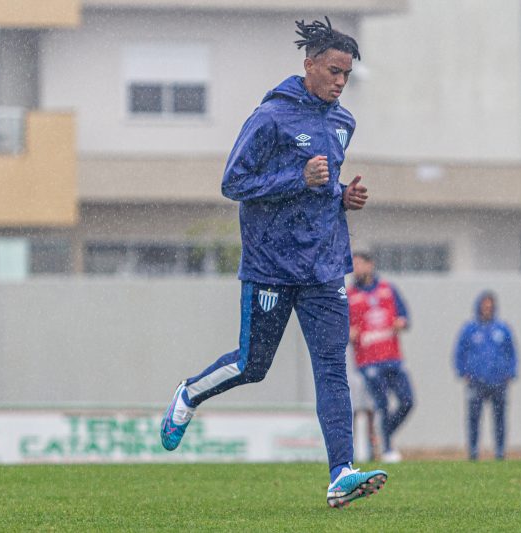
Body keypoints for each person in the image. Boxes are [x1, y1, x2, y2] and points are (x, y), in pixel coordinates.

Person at [160, 17, 387, 508]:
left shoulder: (343, 122)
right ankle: (190, 394)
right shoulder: (270, 118)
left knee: (332, 368)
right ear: (309, 66)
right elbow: (233, 184)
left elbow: (321, 187)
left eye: (347, 75)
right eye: (333, 71)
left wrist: (342, 196)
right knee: (252, 365)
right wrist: (296, 177)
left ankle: (340, 473)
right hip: (272, 266)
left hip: (325, 265)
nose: (340, 82)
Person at [347, 252, 414, 463]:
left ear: (370, 265)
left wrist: (401, 323)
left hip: (392, 358)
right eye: (353, 265)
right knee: (381, 403)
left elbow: (405, 317)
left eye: (360, 264)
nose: (356, 269)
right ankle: (385, 449)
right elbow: (341, 328)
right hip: (368, 361)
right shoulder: (349, 295)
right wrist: (348, 333)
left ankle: (382, 435)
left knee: (407, 401)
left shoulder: (387, 289)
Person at [453, 291, 518, 461]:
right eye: (484, 306)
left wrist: (510, 372)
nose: (487, 309)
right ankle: (473, 452)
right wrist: (463, 372)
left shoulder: (502, 329)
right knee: (474, 419)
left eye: (490, 306)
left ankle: (500, 452)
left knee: (500, 420)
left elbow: (511, 352)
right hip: (476, 382)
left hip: (498, 382)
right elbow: (459, 352)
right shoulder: (470, 329)